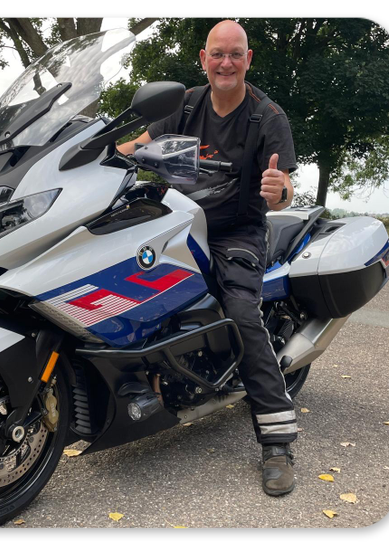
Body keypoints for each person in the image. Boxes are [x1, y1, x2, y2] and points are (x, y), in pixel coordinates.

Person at [118, 20, 298, 496]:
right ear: (203, 58)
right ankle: (141, 386)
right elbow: (135, 146)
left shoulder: (267, 117)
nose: (226, 63)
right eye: (217, 53)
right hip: (174, 222)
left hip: (235, 232)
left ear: (248, 59)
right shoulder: (185, 105)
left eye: (235, 54)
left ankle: (277, 441)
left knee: (240, 312)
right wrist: (89, 156)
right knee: (125, 283)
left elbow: (283, 190)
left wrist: (279, 191)